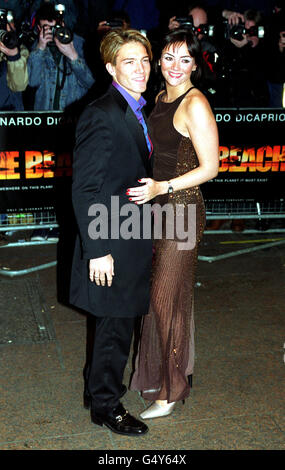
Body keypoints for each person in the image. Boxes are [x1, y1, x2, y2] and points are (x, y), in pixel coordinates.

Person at [129, 29, 219, 418]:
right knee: (165, 300)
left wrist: (163, 186)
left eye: (185, 60)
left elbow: (211, 168)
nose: (175, 67)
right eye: (168, 57)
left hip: (181, 212)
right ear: (158, 60)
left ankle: (170, 391)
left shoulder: (194, 102)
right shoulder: (161, 98)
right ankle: (167, 375)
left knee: (166, 303)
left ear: (195, 65)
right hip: (159, 209)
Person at [70, 29, 153, 436]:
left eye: (144, 60)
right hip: (112, 239)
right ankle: (106, 405)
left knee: (115, 322)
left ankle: (96, 388)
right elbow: (84, 188)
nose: (140, 69)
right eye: (129, 62)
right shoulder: (101, 113)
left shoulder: (138, 108)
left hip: (132, 232)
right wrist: (98, 250)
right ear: (109, 68)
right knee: (115, 326)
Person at [27, 3, 94, 110]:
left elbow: (90, 83)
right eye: (47, 28)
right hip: (47, 114)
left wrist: (73, 56)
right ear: (39, 28)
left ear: (63, 24)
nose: (53, 32)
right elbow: (33, 82)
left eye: (55, 28)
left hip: (73, 114)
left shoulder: (79, 44)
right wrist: (40, 49)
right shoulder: (36, 48)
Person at [0, 12, 29, 110]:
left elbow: (19, 86)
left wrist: (13, 56)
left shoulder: (22, 51)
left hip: (11, 116)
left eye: (9, 21)